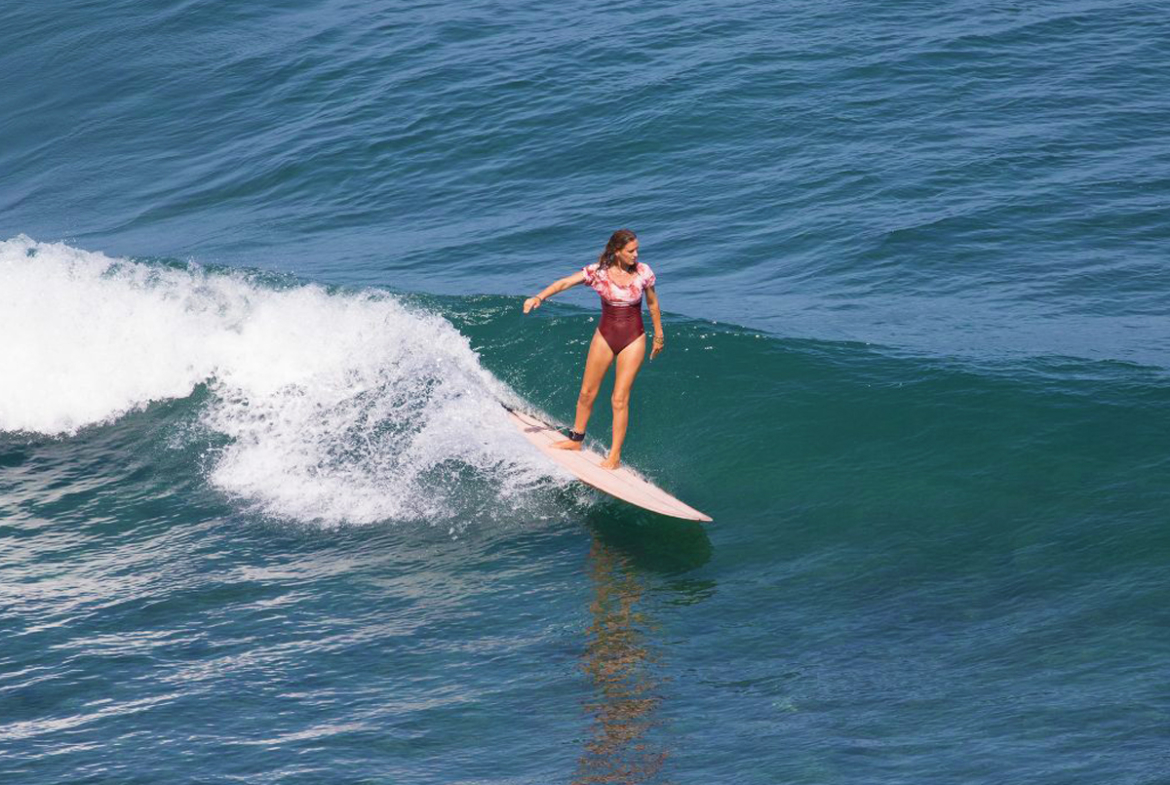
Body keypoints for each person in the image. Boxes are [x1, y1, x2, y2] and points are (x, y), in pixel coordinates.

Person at [523, 229, 664, 470]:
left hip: (634, 338)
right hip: (605, 335)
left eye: (637, 249)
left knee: (619, 399)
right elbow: (565, 282)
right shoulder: (598, 273)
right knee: (587, 392)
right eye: (631, 251)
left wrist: (659, 335)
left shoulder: (643, 272)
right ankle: (576, 440)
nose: (636, 254)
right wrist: (539, 297)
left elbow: (652, 303)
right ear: (617, 251)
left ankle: (614, 456)